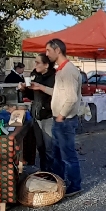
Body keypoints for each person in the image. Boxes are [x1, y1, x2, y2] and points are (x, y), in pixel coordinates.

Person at [39, 38, 83, 197]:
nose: (46, 54)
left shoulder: (68, 71)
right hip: (61, 119)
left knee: (67, 156)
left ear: (58, 50)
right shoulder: (62, 70)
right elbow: (59, 94)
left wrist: (61, 116)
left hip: (64, 120)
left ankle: (75, 185)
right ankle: (58, 183)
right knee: (57, 156)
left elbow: (71, 98)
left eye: (48, 51)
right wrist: (41, 87)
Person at [24, 54, 56, 172]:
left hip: (48, 115)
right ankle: (44, 171)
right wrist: (25, 89)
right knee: (41, 147)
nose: (35, 65)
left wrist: (40, 87)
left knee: (49, 148)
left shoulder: (54, 77)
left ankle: (53, 174)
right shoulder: (34, 74)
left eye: (38, 63)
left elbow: (56, 95)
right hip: (36, 115)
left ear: (46, 65)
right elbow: (31, 95)